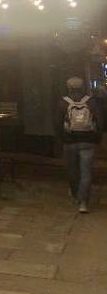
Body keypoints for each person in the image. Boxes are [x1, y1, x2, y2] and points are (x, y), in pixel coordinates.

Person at [55, 77, 104, 213]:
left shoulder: (63, 103)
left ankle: (76, 194)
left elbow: (57, 124)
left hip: (69, 142)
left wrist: (61, 140)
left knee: (72, 171)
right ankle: (83, 203)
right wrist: (97, 139)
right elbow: (100, 122)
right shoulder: (91, 102)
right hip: (88, 143)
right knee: (86, 173)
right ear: (83, 87)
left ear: (68, 88)